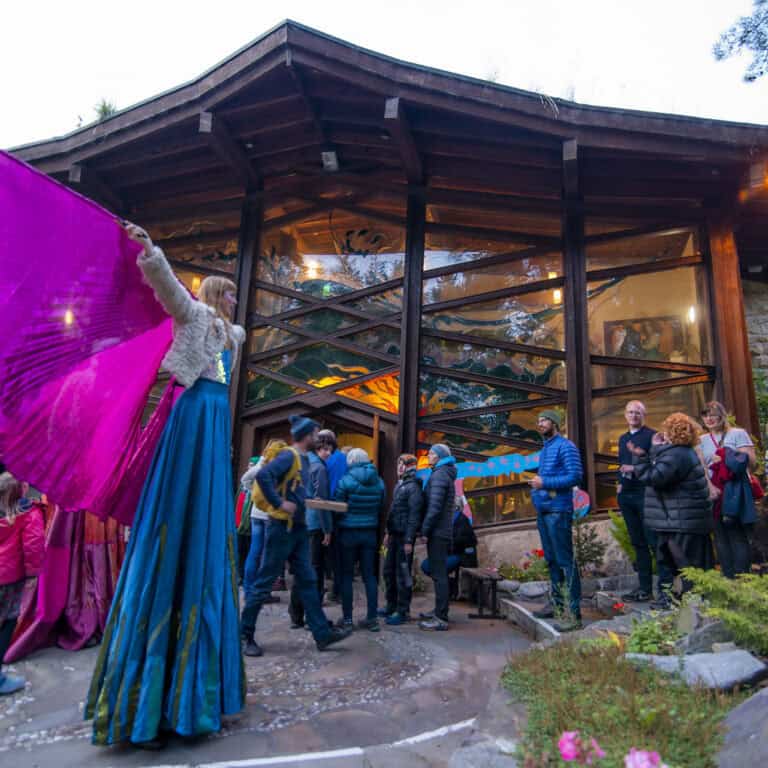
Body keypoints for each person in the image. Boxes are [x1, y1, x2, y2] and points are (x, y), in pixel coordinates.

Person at [85, 223, 246, 747]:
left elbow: (231, 347)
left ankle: (198, 691)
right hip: (193, 416)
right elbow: (169, 289)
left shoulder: (228, 335)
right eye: (230, 293)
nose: (235, 301)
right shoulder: (196, 316)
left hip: (213, 424)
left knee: (208, 533)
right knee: (178, 523)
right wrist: (151, 250)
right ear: (215, 295)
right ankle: (153, 697)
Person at [241, 416, 351, 657]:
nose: (317, 437)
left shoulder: (302, 458)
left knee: (308, 582)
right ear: (306, 435)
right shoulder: (289, 456)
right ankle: (245, 633)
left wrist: (305, 501)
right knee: (264, 582)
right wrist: (279, 502)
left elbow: (294, 488)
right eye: (314, 433)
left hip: (297, 529)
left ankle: (322, 634)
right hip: (281, 527)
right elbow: (263, 476)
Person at [632, 413, 714, 607]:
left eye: (666, 429)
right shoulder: (683, 452)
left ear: (672, 432)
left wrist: (640, 458)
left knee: (684, 568)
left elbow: (655, 477)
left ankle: (686, 611)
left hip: (680, 521)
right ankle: (683, 606)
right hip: (685, 520)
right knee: (686, 567)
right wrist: (655, 450)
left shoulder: (676, 455)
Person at [528, 410, 583, 632]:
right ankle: (557, 605)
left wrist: (545, 483)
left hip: (559, 511)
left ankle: (574, 614)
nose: (540, 424)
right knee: (551, 560)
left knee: (565, 561)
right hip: (544, 510)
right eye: (538, 420)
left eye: (544, 420)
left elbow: (575, 476)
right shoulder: (546, 448)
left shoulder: (566, 446)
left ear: (555, 423)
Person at [698, 401, 757, 578]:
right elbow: (701, 468)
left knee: (737, 535)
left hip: (735, 492)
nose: (709, 418)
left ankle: (742, 581)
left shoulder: (737, 433)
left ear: (722, 415)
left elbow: (751, 462)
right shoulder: (701, 440)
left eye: (713, 414)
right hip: (714, 492)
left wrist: (725, 458)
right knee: (720, 537)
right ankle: (728, 580)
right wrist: (710, 487)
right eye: (705, 415)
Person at [0, 473, 44, 695]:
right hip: (9, 580)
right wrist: (34, 573)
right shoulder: (28, 514)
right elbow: (33, 545)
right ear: (23, 490)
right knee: (7, 622)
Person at [335, 448, 386, 632]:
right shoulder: (379, 482)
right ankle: (372, 618)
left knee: (347, 576)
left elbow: (338, 506)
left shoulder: (345, 481)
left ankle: (348, 619)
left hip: (348, 533)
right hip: (370, 533)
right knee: (369, 576)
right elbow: (381, 505)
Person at [616, 400, 663, 602]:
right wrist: (619, 482)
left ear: (644, 415)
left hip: (645, 493)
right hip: (626, 494)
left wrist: (635, 468)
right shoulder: (622, 438)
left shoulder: (652, 436)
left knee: (654, 541)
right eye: (630, 412)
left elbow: (658, 465)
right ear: (625, 415)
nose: (634, 416)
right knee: (638, 543)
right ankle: (644, 588)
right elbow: (621, 463)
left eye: (637, 412)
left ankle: (664, 589)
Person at [289, 432, 334, 628]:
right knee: (315, 571)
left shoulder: (302, 463)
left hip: (299, 521)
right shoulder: (319, 469)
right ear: (319, 448)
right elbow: (321, 501)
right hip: (315, 524)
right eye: (326, 449)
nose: (329, 453)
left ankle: (296, 615)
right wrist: (327, 529)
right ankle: (312, 617)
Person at [381, 454, 423, 625]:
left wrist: (409, 540)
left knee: (402, 574)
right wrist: (387, 532)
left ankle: (402, 610)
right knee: (388, 571)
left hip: (404, 537)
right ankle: (391, 605)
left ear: (411, 467)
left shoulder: (413, 487)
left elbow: (414, 515)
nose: (400, 466)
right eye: (398, 463)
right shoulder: (400, 485)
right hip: (394, 535)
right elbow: (393, 510)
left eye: (404, 464)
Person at [419, 444, 457, 632]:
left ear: (441, 456)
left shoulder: (440, 475)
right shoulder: (441, 473)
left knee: (439, 574)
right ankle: (438, 610)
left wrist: (425, 530)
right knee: (438, 573)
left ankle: (441, 617)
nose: (429, 455)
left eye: (432, 453)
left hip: (438, 532)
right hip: (440, 531)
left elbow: (434, 507)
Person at [420, 494, 478, 600]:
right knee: (425, 565)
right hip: (449, 553)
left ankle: (446, 591)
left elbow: (463, 542)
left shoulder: (462, 520)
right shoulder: (449, 520)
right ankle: (449, 586)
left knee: (437, 568)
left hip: (461, 556)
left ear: (455, 507)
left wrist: (443, 543)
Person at [240, 458, 279, 606]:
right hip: (269, 514)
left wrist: (252, 491)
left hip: (256, 513)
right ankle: (262, 592)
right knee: (266, 554)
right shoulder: (278, 467)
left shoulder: (260, 467)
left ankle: (249, 591)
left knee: (254, 552)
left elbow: (245, 479)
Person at [322, 430, 347, 604]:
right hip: (338, 509)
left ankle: (325, 589)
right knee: (337, 553)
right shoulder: (342, 459)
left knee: (320, 553)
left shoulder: (328, 459)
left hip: (325, 508)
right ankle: (336, 589)